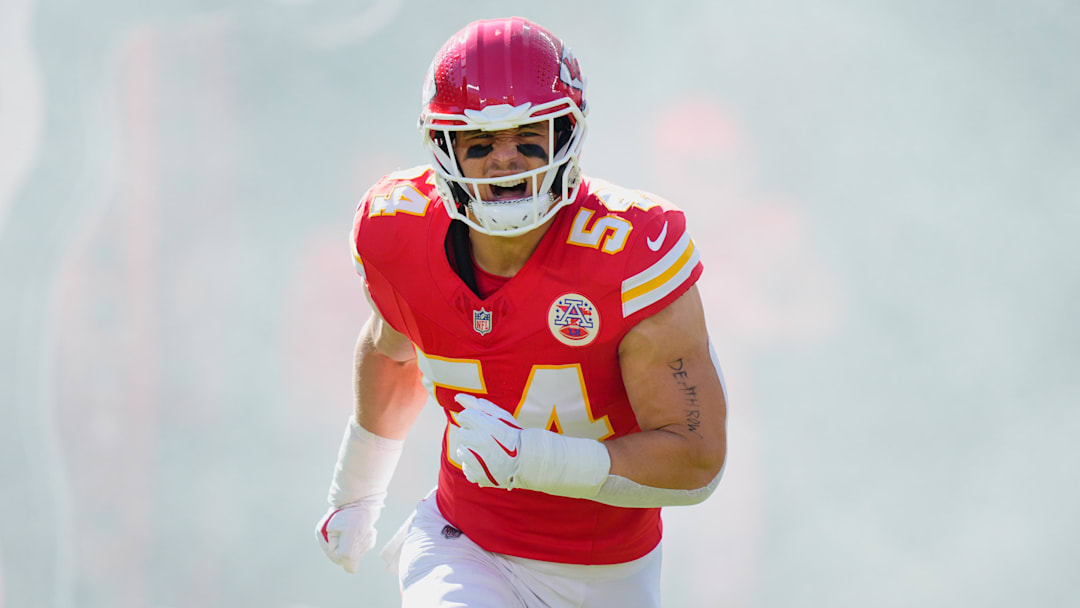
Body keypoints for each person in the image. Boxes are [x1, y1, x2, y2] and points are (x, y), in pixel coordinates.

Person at [316, 16, 728, 608]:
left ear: (568, 134)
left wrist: (534, 459)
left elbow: (697, 461)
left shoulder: (630, 251)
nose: (507, 160)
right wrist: (356, 488)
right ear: (443, 147)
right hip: (467, 543)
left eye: (529, 135)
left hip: (610, 572)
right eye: (481, 142)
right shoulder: (398, 230)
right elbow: (392, 348)